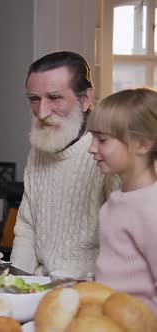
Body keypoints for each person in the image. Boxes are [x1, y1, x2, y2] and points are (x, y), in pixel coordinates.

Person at [11, 51, 115, 276]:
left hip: (87, 288)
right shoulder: (39, 147)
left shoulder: (108, 155)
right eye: (34, 99)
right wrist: (15, 285)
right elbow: (27, 225)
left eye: (55, 98)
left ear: (85, 99)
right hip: (38, 286)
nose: (41, 112)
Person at [89, 88, 157, 314]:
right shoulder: (115, 203)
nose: (92, 148)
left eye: (103, 140)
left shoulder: (151, 208)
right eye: (92, 138)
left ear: (143, 144)